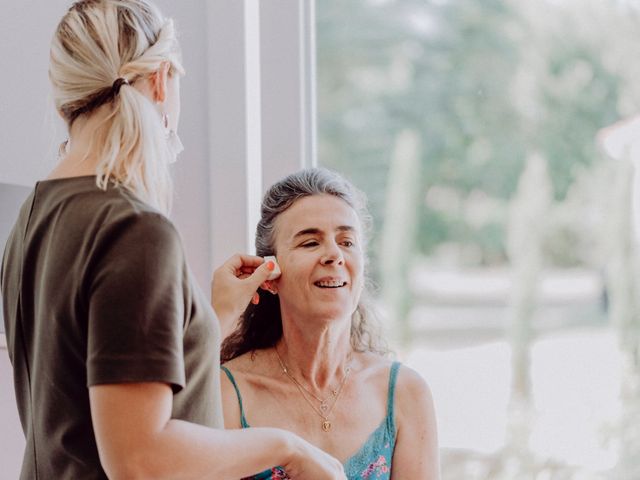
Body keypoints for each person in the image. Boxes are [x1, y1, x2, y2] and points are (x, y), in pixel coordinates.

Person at [0, 1, 345, 478]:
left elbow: (99, 390)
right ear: (162, 78)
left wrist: (212, 316)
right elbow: (140, 458)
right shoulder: (133, 229)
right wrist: (288, 446)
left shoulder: (34, 214)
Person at [220, 168, 441, 479]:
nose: (334, 255)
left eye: (347, 242)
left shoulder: (405, 393)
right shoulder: (229, 392)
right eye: (310, 243)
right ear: (269, 276)